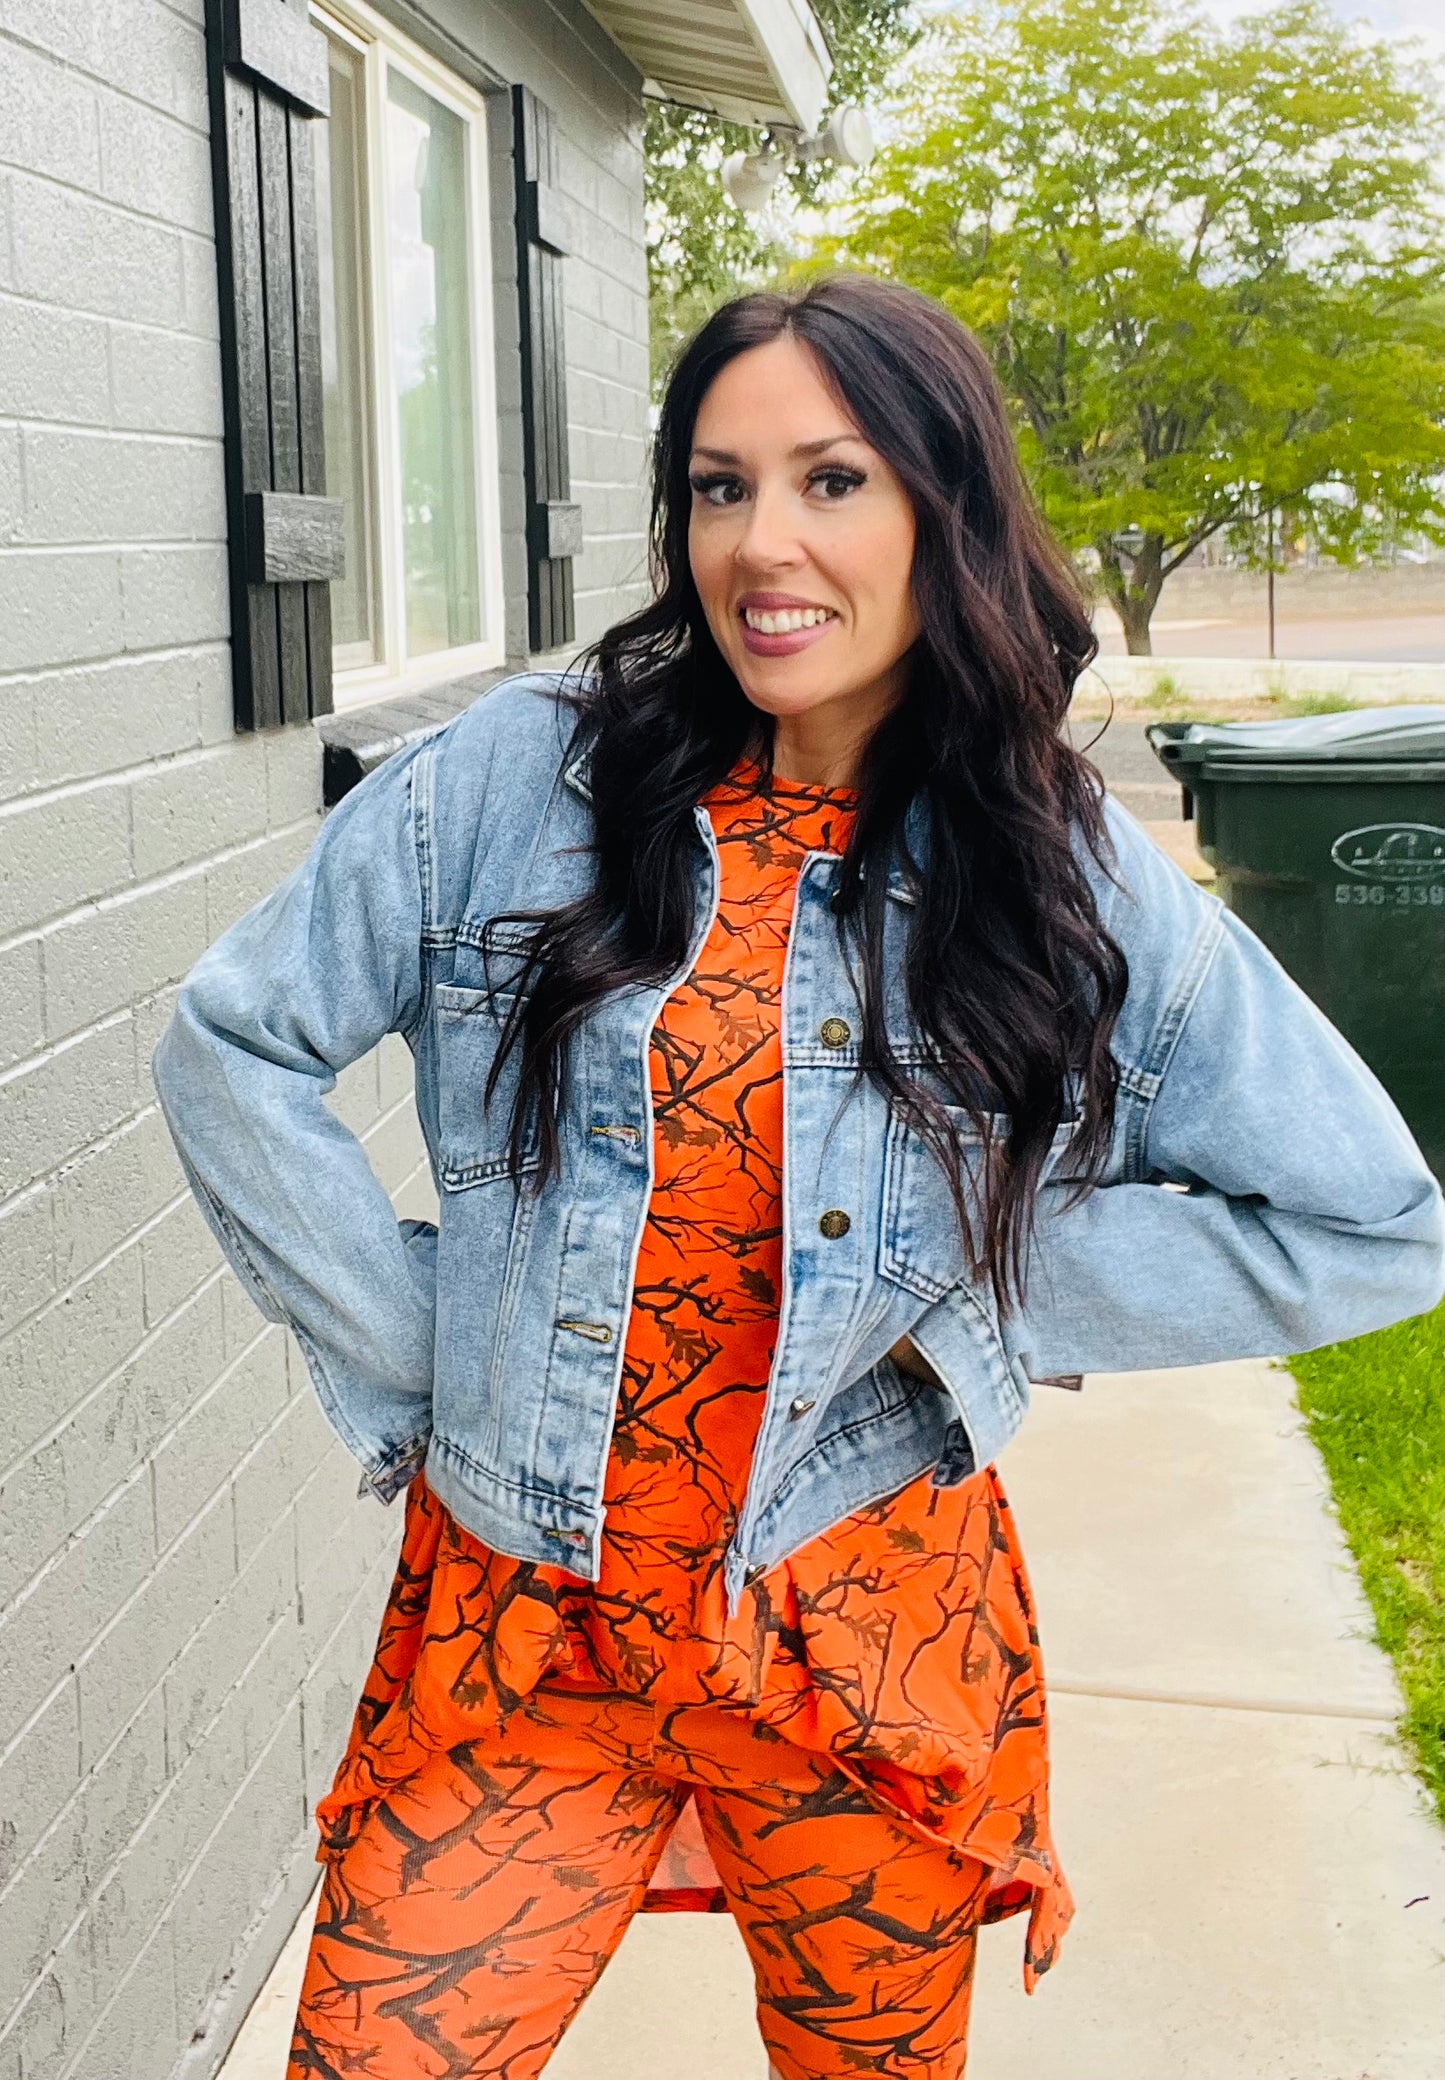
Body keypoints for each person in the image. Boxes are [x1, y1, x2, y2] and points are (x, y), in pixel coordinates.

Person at [152, 274, 1445, 2080]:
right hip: (527, 1628)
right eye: (714, 483)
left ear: (943, 507)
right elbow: (235, 1046)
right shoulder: (520, 779)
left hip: (863, 1651)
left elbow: (1370, 1223)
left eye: (831, 480)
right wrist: (430, 1352)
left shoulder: (1052, 860)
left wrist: (967, 1293)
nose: (762, 543)